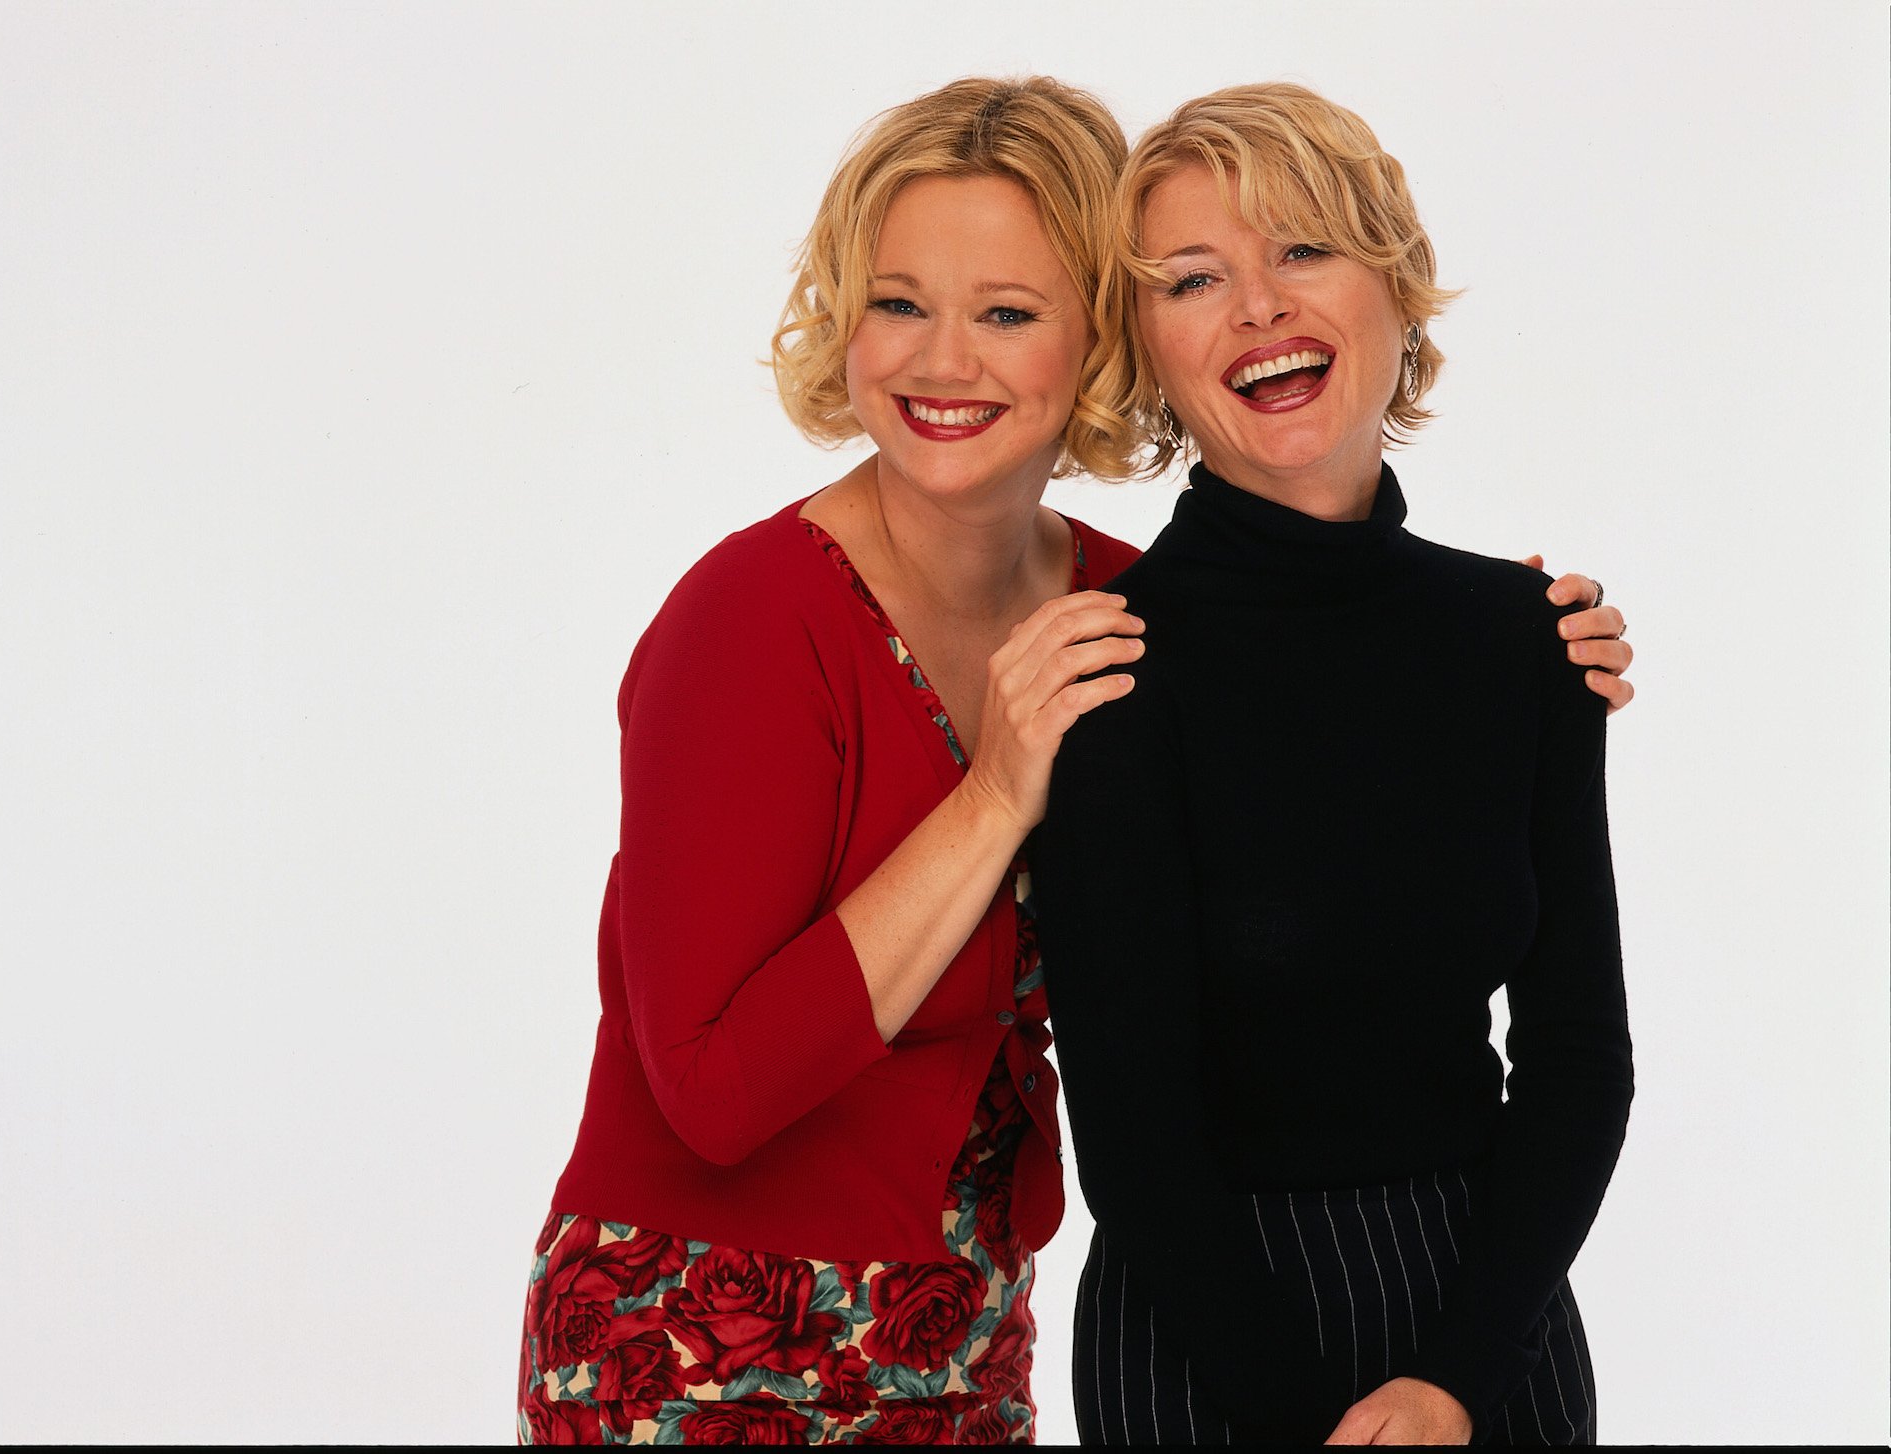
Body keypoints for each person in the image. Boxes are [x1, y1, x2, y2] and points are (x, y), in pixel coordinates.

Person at [518, 76, 1634, 1447]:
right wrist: (996, 791)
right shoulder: (761, 625)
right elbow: (713, 1092)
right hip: (704, 1332)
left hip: (961, 1325)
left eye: (1006, 311)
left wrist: (1515, 648)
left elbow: (1321, 684)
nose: (945, 358)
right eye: (897, 301)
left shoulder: (1108, 612)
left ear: (1092, 342)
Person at [1034, 82, 1634, 1447]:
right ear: (1148, 347)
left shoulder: (1526, 641)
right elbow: (1132, 1136)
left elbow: (1578, 1055)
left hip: (1489, 1315)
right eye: (1196, 278)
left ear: (1395, 289)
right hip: (1205, 1334)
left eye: (1302, 249)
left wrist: (1457, 1375)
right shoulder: (1109, 670)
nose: (1259, 304)